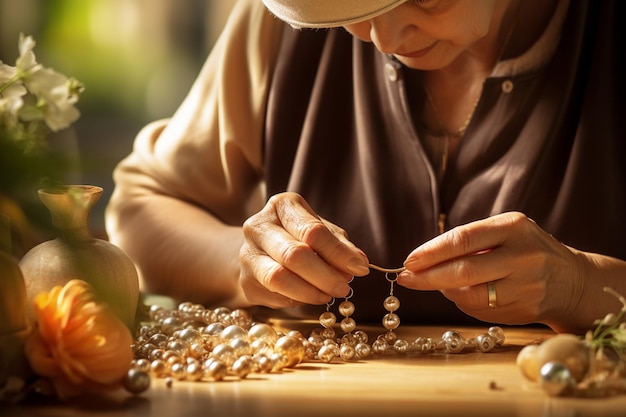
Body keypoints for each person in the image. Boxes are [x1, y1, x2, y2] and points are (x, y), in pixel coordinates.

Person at [105, 0, 625, 335]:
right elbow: (141, 209)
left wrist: (582, 287)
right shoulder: (279, 24)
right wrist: (250, 261)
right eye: (350, 9)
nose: (386, 39)